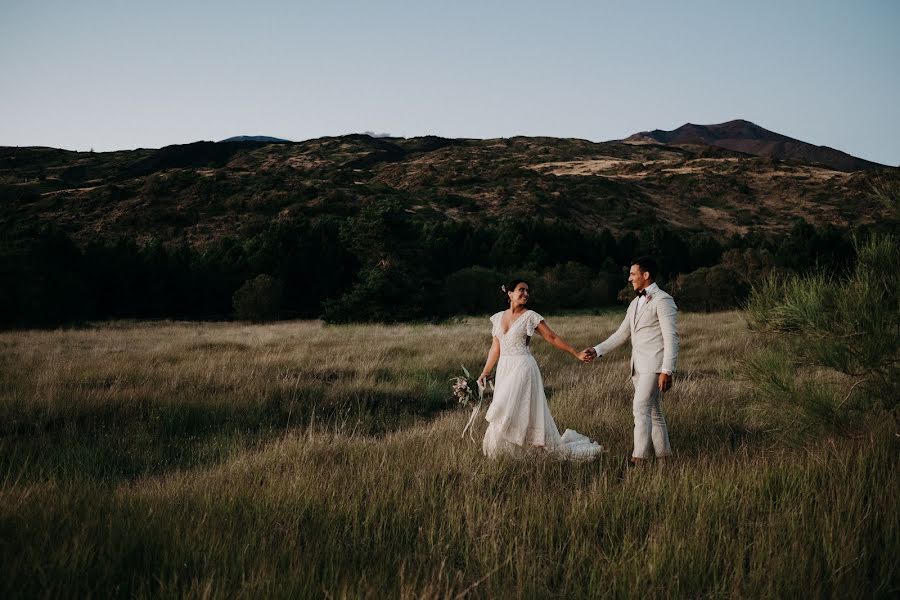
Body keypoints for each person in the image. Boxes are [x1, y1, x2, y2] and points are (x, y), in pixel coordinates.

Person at [477, 279, 604, 460]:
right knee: (513, 410)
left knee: (505, 408)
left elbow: (551, 337)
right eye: (521, 290)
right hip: (505, 369)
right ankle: (512, 454)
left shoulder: (530, 316)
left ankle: (516, 449)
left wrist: (575, 353)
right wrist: (485, 371)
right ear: (510, 293)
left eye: (528, 291)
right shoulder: (498, 318)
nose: (526, 294)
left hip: (523, 368)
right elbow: (495, 348)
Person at [583, 257, 679, 464]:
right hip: (637, 367)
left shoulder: (663, 300)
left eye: (633, 274)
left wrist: (667, 370)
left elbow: (671, 338)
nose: (629, 278)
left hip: (654, 366)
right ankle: (665, 459)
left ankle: (638, 460)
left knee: (640, 408)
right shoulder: (635, 303)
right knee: (655, 413)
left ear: (646, 275)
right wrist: (596, 350)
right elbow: (622, 334)